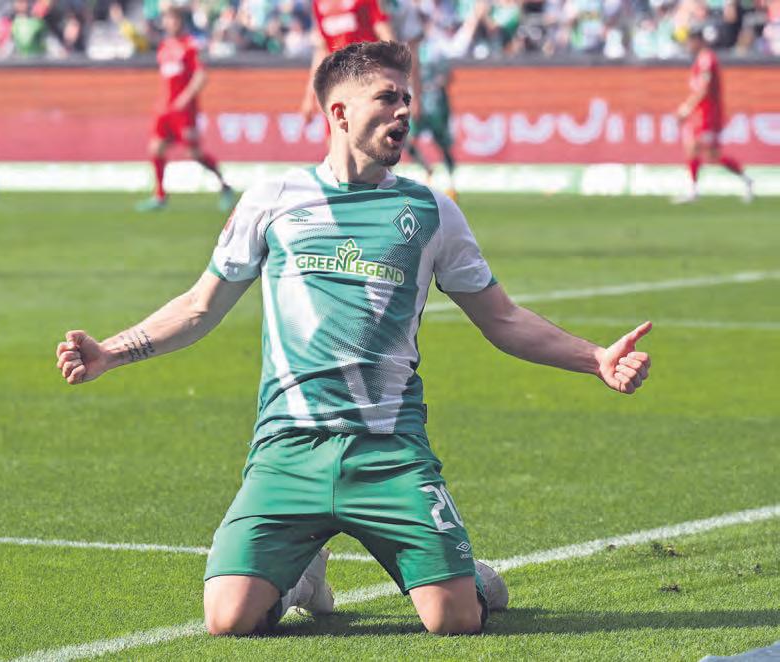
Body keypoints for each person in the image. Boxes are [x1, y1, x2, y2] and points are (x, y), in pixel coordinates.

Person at [56, 41, 652, 636]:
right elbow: (198, 307)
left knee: (454, 620)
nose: (404, 111)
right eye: (387, 98)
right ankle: (302, 577)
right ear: (339, 112)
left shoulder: (431, 211)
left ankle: (462, 577)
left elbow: (503, 319)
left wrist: (595, 358)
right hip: (288, 450)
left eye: (406, 98)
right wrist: (111, 352)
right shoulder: (272, 201)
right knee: (228, 618)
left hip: (388, 451)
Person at [137, 2, 233, 212]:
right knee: (156, 148)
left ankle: (225, 186)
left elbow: (201, 75)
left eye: (172, 19)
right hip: (165, 110)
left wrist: (185, 97)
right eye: (166, 19)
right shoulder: (164, 46)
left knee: (194, 153)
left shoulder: (190, 45)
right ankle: (160, 196)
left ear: (180, 22)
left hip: (184, 112)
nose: (168, 23)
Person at [300, 0, 422, 129]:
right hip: (338, 87)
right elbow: (321, 50)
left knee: (374, 135)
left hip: (367, 84)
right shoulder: (319, 3)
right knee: (336, 136)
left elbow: (386, 38)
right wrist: (309, 96)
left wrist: (406, 89)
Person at [674, 24, 754, 204]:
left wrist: (687, 108)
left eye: (690, 41)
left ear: (698, 40)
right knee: (692, 147)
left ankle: (746, 180)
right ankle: (693, 189)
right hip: (700, 113)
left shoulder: (707, 59)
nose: (688, 45)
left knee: (712, 154)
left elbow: (704, 89)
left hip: (709, 114)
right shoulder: (700, 59)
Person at [405, 12, 458, 199]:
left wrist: (436, 85)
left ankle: (451, 182)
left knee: (441, 141)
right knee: (407, 141)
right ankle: (427, 168)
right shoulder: (408, 49)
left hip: (435, 101)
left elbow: (448, 74)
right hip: (416, 99)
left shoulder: (436, 47)